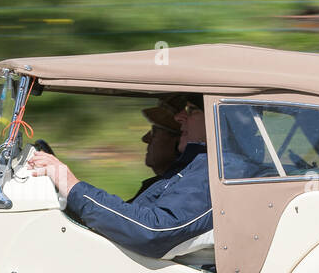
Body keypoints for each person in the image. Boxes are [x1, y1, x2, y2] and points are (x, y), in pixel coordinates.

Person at [28, 96, 213, 259]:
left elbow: (155, 231)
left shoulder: (210, 170)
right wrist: (72, 200)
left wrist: (72, 187)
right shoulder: (192, 167)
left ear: (217, 117)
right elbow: (134, 218)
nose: (180, 118)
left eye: (192, 110)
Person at [128, 98, 186, 202]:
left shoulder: (179, 192)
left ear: (179, 141)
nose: (145, 138)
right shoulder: (160, 186)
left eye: (154, 132)